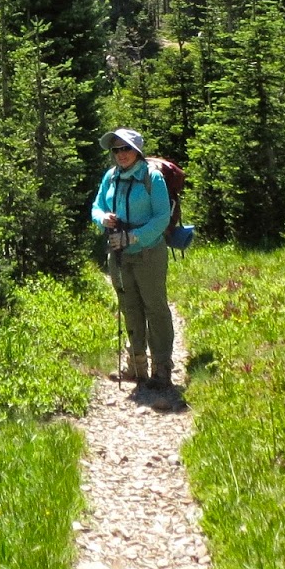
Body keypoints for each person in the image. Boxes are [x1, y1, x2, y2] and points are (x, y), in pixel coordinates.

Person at [90, 128, 175, 391]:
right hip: (119, 253)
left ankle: (161, 368)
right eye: (116, 150)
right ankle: (136, 366)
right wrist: (102, 218)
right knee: (130, 307)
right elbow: (96, 206)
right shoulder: (111, 177)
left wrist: (134, 237)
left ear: (137, 150)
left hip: (148, 252)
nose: (121, 154)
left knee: (155, 307)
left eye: (125, 149)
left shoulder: (153, 178)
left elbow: (162, 217)